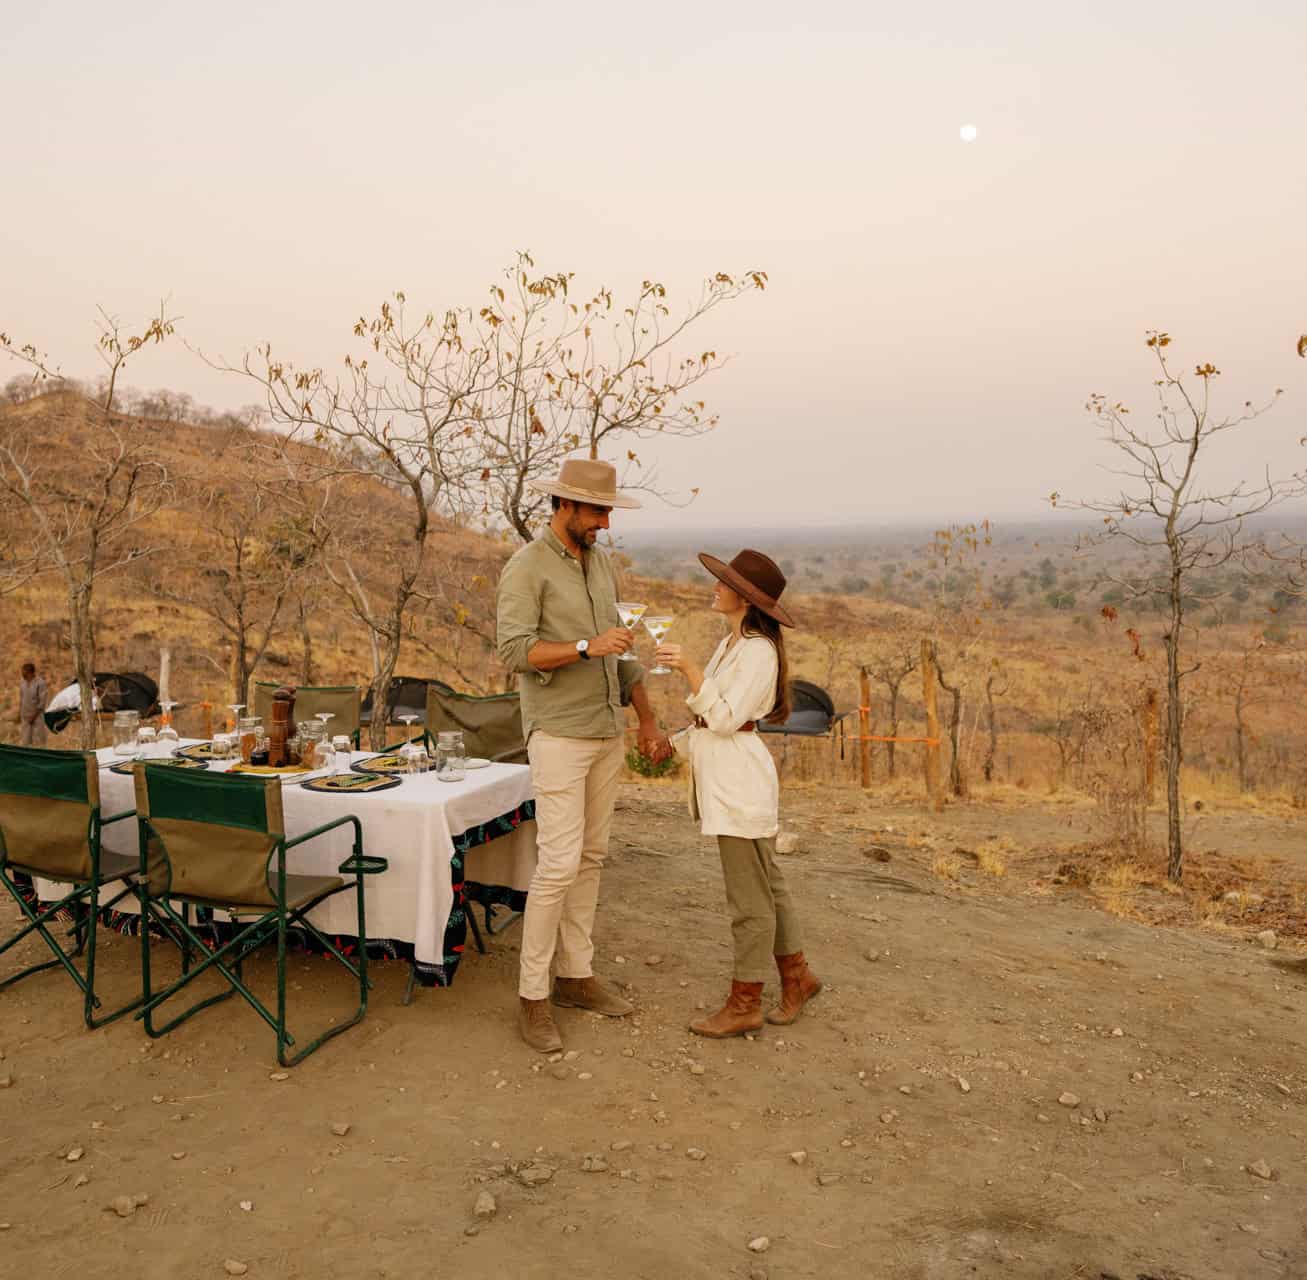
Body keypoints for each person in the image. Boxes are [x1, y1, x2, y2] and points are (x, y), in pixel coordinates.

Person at [497, 458, 665, 1053]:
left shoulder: (603, 567)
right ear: (565, 507)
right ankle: (532, 996)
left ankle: (576, 976)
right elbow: (515, 651)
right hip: (560, 733)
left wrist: (645, 717)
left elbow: (621, 655)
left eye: (609, 510)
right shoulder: (526, 567)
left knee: (591, 857)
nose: (606, 521)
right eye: (597, 511)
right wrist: (583, 646)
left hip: (604, 731)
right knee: (559, 863)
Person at [651, 549, 821, 1038]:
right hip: (732, 779)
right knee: (769, 885)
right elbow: (714, 719)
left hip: (740, 787)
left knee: (749, 900)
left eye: (723, 582)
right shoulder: (733, 644)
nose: (715, 586)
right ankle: (798, 976)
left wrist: (687, 667)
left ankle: (745, 1001)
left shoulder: (758, 653)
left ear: (744, 598)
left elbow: (726, 719)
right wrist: (675, 743)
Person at [17, 662, 48, 747]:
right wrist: (20, 713)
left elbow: (42, 702)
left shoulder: (40, 683)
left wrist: (33, 716)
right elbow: (22, 698)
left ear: (31, 672)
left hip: (37, 716)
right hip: (25, 717)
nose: (22, 674)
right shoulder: (22, 682)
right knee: (26, 742)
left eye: (24, 672)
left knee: (39, 741)